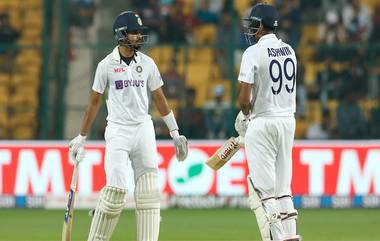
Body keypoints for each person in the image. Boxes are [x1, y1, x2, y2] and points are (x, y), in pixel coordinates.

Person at [68, 11, 188, 241]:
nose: (138, 37)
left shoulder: (148, 63)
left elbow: (159, 98)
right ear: (121, 35)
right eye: (134, 33)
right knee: (116, 192)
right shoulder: (106, 65)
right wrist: (81, 137)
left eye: (139, 33)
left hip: (143, 127)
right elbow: (93, 103)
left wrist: (175, 133)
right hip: (118, 130)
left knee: (149, 192)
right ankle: (98, 226)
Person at [235, 3, 301, 241]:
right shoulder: (290, 50)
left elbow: (244, 99)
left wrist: (245, 116)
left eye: (253, 24)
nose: (251, 29)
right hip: (287, 121)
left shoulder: (252, 52)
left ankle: (276, 239)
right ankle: (291, 236)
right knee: (284, 190)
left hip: (262, 122)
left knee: (265, 192)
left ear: (261, 25)